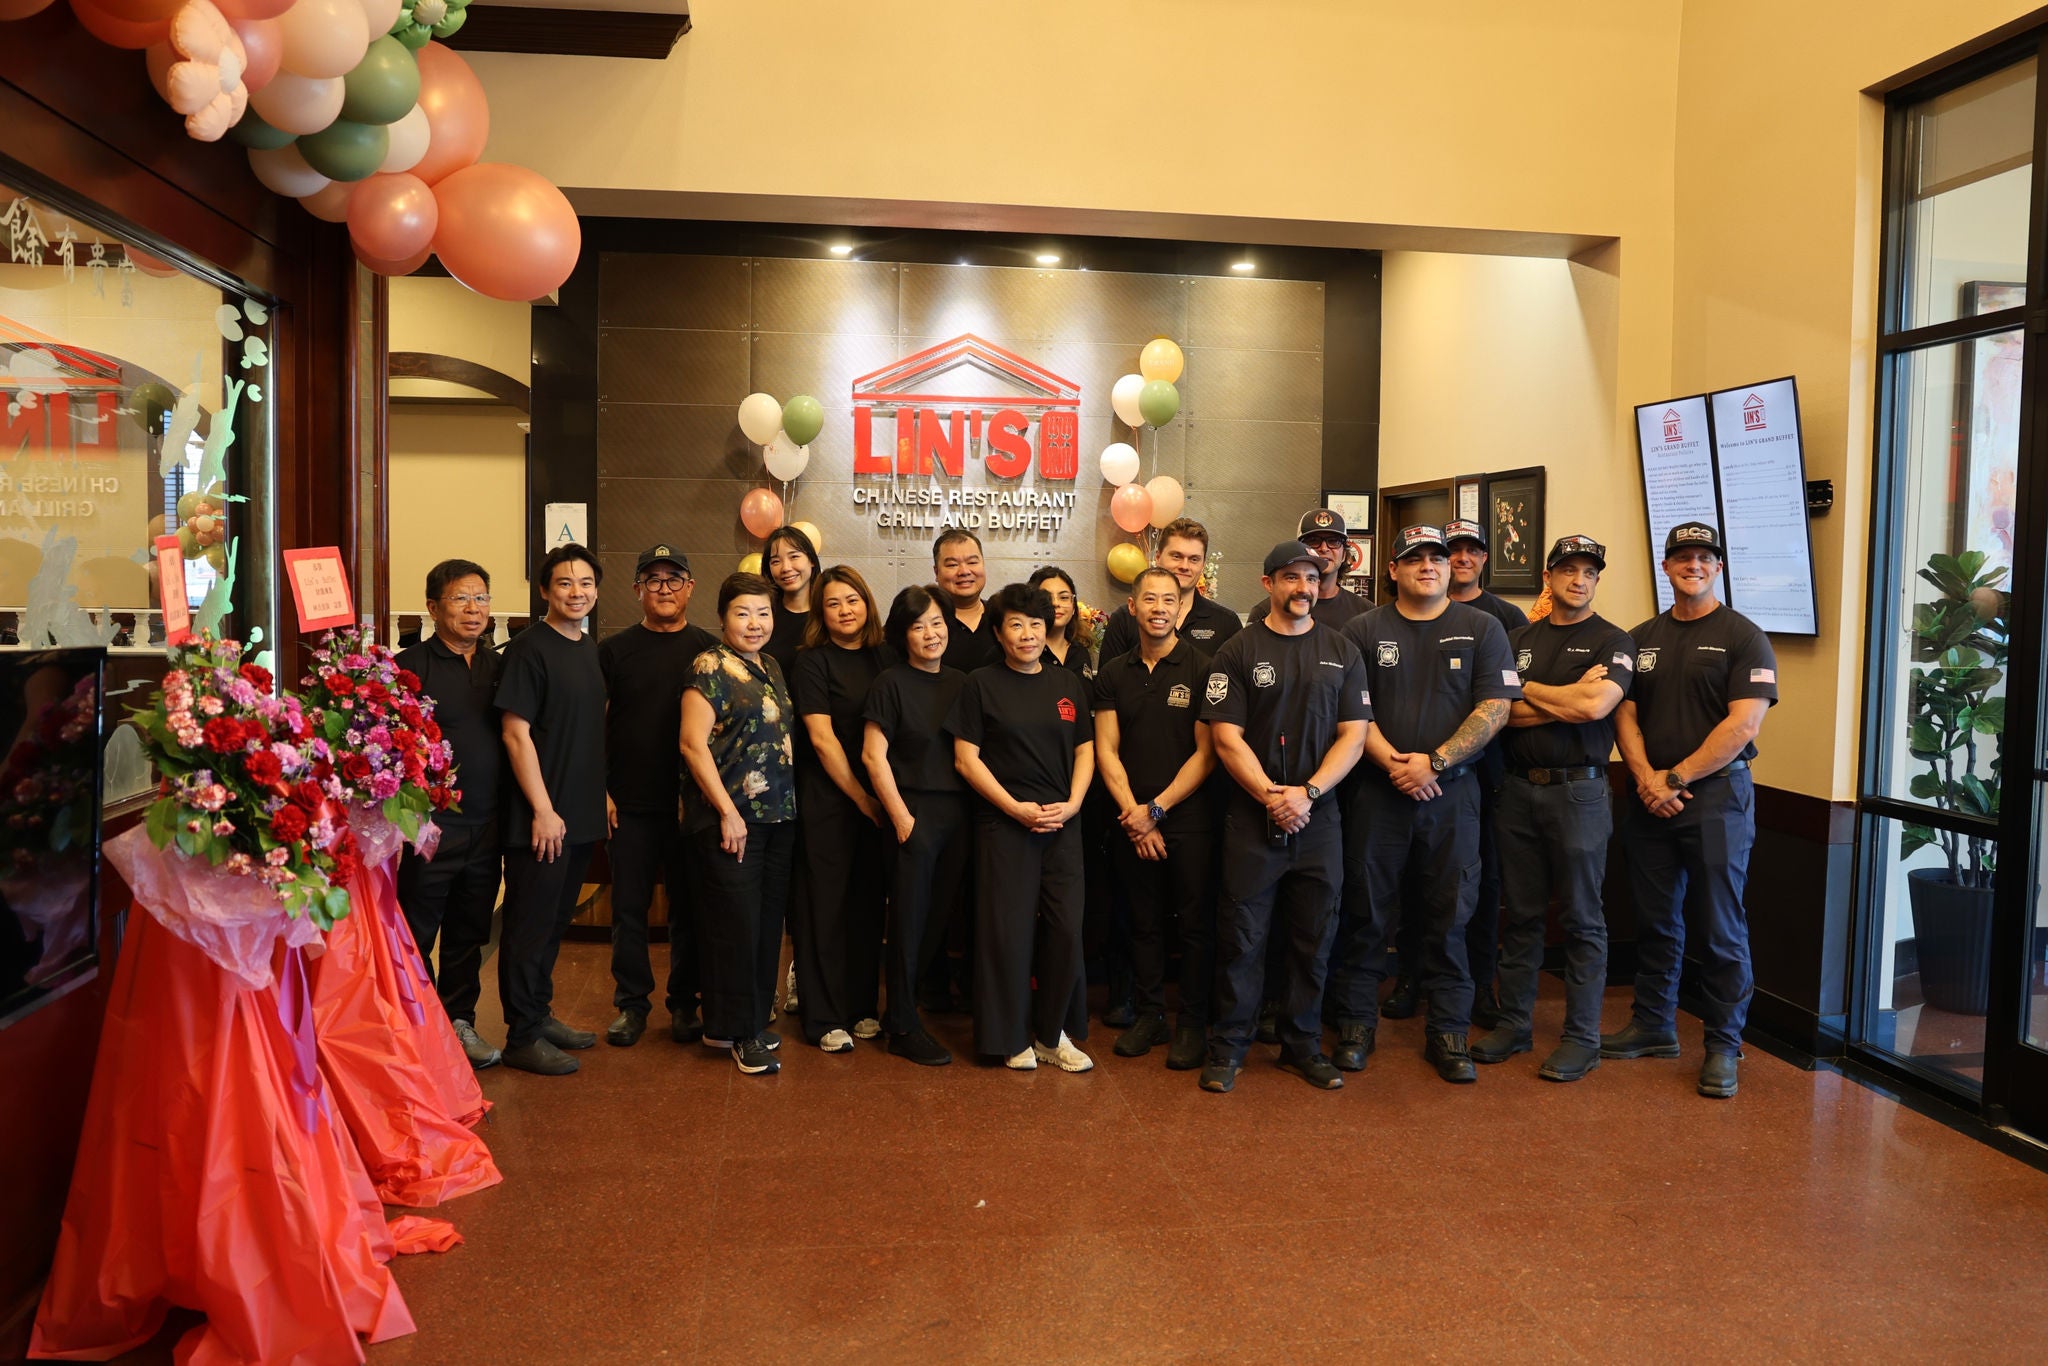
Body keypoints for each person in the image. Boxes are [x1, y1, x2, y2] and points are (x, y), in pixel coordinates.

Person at [1333, 525, 1522, 1084]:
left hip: (1453, 795)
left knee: (1450, 918)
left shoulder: (1483, 628)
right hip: (1377, 793)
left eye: (1437, 558)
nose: (1429, 566)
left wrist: (1435, 762)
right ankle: (1355, 1025)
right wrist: (1396, 763)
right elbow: (1352, 715)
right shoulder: (1361, 629)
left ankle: (1448, 1031)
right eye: (1414, 558)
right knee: (1367, 913)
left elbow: (1496, 708)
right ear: (1392, 570)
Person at [1607, 521, 1777, 1099]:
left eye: (1704, 557)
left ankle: (1724, 1045)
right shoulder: (1641, 637)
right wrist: (1646, 780)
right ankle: (1654, 1025)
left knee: (1720, 927)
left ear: (1718, 567)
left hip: (1716, 800)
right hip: (1650, 799)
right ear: (1666, 565)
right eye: (1683, 557)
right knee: (1656, 920)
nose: (1693, 565)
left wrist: (1674, 778)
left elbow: (1743, 724)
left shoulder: (1744, 636)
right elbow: (1623, 713)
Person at [1198, 541, 1371, 1093]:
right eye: (1292, 578)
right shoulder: (1236, 651)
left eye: (1313, 578)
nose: (1304, 587)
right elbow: (1226, 739)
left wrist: (1308, 794)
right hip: (1254, 818)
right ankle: (1228, 1048)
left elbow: (1355, 734)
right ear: (1267, 582)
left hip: (1318, 820)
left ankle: (1301, 1046)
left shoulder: (1342, 651)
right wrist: (1274, 795)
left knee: (1313, 938)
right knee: (1243, 940)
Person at [1476, 535, 1633, 1082]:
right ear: (1550, 577)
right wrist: (1561, 698)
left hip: (1580, 792)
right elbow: (1501, 714)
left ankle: (1582, 1037)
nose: (1578, 579)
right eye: (1567, 570)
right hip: (1518, 789)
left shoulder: (1614, 641)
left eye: (1589, 571)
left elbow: (1597, 705)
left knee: (1582, 918)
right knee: (1519, 914)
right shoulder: (1515, 637)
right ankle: (1515, 1023)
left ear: (1596, 580)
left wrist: (1531, 693)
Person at [948, 582, 1095, 1071]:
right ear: (999, 631)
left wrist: (1073, 804)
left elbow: (1085, 750)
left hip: (1062, 825)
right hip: (1004, 824)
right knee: (1006, 934)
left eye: (1036, 623)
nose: (1028, 634)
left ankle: (1053, 1035)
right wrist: (1014, 807)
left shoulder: (1067, 684)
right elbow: (966, 760)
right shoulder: (981, 684)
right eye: (1016, 624)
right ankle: (1009, 1039)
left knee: (1065, 930)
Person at [1093, 567, 1218, 1070]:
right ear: (1133, 607)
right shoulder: (1112, 673)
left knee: (1192, 924)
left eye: (1169, 599)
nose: (1160, 607)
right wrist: (1134, 815)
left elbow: (1207, 754)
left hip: (1189, 820)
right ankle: (1150, 1014)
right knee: (1141, 923)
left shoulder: (1206, 668)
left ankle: (1191, 1022)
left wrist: (1158, 810)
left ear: (1180, 608)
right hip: (1131, 821)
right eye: (1150, 599)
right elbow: (1106, 749)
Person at [495, 543, 609, 1076]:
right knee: (529, 926)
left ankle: (539, 1016)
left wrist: (601, 793)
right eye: (564, 583)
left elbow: (585, 731)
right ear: (544, 590)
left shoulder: (587, 647)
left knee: (556, 922)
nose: (576, 592)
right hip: (542, 818)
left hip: (579, 813)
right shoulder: (528, 649)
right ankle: (521, 1035)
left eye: (585, 582)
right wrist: (542, 808)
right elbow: (516, 735)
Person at [680, 572, 799, 1076]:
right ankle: (738, 1031)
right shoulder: (709, 665)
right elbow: (691, 743)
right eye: (743, 613)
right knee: (735, 927)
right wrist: (727, 811)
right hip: (731, 819)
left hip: (777, 816)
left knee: (765, 925)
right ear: (723, 617)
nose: (755, 623)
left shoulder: (769, 664)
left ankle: (738, 1023)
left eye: (764, 613)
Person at [598, 545, 717, 1049]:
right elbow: (594, 726)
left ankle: (685, 1003)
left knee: (688, 909)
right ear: (637, 591)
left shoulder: (711, 650)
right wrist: (601, 791)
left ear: (691, 587)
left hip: (691, 806)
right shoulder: (613, 651)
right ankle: (631, 1005)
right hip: (630, 805)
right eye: (654, 580)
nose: (664, 588)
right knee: (629, 908)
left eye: (674, 579)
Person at [395, 558, 506, 1069]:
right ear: (434, 606)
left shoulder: (499, 666)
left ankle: (459, 1022)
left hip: (487, 823)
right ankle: (417, 1030)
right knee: (417, 931)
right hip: (430, 827)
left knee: (470, 930)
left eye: (481, 598)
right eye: (461, 598)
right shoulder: (408, 667)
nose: (473, 609)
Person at [1424, 517, 1532, 1029]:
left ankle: (1480, 988)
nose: (1460, 558)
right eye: (1452, 550)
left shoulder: (1504, 619)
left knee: (1480, 886)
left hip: (1486, 778)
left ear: (1483, 558)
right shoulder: (1407, 615)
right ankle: (1414, 980)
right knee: (1417, 884)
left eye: (1470, 551)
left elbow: (1514, 700)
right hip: (1411, 774)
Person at [862, 586, 970, 1066]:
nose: (931, 633)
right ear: (903, 635)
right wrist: (902, 817)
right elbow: (872, 754)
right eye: (919, 625)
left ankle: (902, 1010)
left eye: (938, 623)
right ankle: (903, 1025)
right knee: (907, 921)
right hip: (912, 815)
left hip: (959, 817)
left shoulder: (964, 683)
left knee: (938, 919)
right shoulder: (891, 682)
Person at [790, 566, 893, 1053]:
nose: (845, 610)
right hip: (830, 800)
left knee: (867, 906)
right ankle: (823, 1016)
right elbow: (821, 738)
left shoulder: (884, 656)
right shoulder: (812, 662)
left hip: (879, 801)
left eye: (852, 599)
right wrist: (862, 798)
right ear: (820, 612)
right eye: (833, 603)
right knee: (824, 909)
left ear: (867, 602)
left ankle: (862, 1007)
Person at [1098, 517, 1242, 659]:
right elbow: (1109, 679)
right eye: (1176, 556)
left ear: (1203, 565)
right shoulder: (1124, 619)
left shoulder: (1226, 623)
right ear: (1158, 557)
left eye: (1194, 559)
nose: (1184, 566)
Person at [934, 528, 1000, 672]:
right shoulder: (923, 622)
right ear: (936, 572)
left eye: (972, 562)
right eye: (952, 564)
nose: (964, 571)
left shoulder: (1002, 617)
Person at [761, 524, 820, 676]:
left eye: (794, 556)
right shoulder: (764, 616)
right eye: (775, 561)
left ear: (811, 560)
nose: (786, 568)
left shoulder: (828, 613)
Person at [1298, 507, 1367, 629]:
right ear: (1298, 550)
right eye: (1314, 541)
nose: (1324, 548)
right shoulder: (1270, 610)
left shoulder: (1366, 613)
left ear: (1344, 555)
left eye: (1333, 541)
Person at [1028, 565, 1093, 680]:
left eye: (1063, 597)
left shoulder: (1080, 652)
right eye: (1047, 598)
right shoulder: (1026, 650)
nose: (1055, 603)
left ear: (1073, 606)